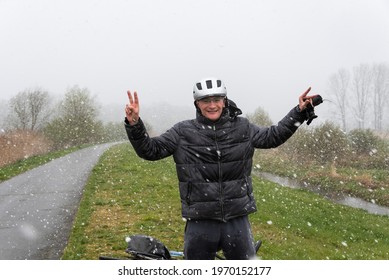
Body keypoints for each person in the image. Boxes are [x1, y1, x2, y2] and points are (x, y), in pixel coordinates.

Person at [124, 77, 319, 260]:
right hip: (200, 219)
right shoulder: (182, 132)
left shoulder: (243, 128)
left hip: (237, 220)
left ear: (224, 101)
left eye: (217, 99)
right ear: (197, 104)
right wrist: (134, 124)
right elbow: (150, 150)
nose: (212, 105)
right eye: (205, 100)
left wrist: (299, 112)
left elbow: (272, 136)